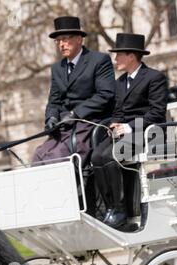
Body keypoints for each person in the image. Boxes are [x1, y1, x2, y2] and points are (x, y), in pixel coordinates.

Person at [91, 33, 168, 229]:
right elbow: (117, 111)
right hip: (125, 133)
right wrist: (114, 124)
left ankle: (121, 209)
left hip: (148, 132)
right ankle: (110, 208)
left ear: (131, 56)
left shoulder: (154, 77)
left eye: (119, 55)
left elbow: (157, 113)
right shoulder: (120, 82)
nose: (115, 59)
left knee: (110, 155)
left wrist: (129, 126)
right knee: (97, 155)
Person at [32, 16, 116, 164]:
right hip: (63, 126)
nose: (61, 44)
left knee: (57, 156)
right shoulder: (57, 68)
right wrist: (51, 118)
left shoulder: (99, 60)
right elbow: (53, 101)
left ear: (79, 39)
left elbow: (105, 94)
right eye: (58, 41)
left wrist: (76, 113)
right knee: (38, 156)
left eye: (65, 39)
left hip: (89, 122)